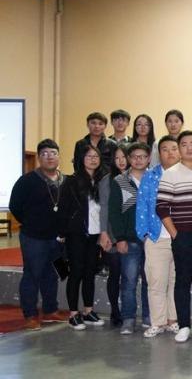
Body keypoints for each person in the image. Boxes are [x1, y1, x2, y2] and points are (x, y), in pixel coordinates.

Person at [156, 130, 192, 343]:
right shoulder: (171, 173)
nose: (189, 147)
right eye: (184, 144)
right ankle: (184, 325)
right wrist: (176, 235)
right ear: (179, 149)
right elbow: (162, 207)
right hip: (183, 236)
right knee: (183, 281)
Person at [9, 139, 67, 330]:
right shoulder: (26, 181)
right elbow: (15, 206)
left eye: (53, 153)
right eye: (44, 154)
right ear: (39, 158)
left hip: (57, 238)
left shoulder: (65, 181)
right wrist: (31, 223)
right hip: (33, 237)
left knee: (52, 274)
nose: (49, 157)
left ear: (59, 156)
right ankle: (30, 315)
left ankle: (50, 310)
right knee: (32, 275)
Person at [57, 145, 107, 330]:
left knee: (89, 272)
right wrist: (62, 233)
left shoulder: (103, 180)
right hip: (77, 233)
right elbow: (64, 208)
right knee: (76, 272)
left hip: (95, 234)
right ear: (81, 159)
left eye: (96, 156)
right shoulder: (72, 181)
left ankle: (88, 310)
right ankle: (73, 314)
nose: (93, 159)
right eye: (89, 156)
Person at [136, 135, 180, 338]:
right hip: (156, 237)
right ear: (159, 153)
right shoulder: (150, 176)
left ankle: (173, 320)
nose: (170, 153)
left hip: (181, 238)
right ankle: (158, 321)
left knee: (176, 282)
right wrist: (144, 233)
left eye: (174, 148)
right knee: (156, 282)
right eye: (165, 149)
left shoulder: (187, 174)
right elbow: (142, 205)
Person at [109, 142, 151, 335]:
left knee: (151, 281)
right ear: (129, 159)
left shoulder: (154, 178)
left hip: (152, 240)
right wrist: (120, 238)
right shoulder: (120, 181)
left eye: (143, 156)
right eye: (134, 157)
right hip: (129, 240)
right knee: (129, 281)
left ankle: (149, 317)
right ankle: (128, 319)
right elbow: (114, 212)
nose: (138, 160)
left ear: (148, 159)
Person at [97, 144, 128, 327]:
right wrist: (103, 233)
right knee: (115, 274)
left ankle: (128, 311)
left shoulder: (135, 177)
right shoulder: (106, 180)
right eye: (117, 158)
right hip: (112, 234)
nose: (120, 161)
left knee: (129, 276)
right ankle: (115, 311)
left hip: (131, 234)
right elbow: (104, 209)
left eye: (123, 157)